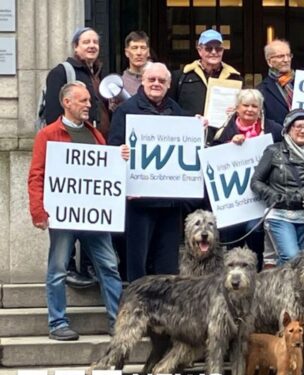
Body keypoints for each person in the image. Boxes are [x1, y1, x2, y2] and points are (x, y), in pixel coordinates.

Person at [28, 81, 127, 341]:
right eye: (82, 100)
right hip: (63, 215)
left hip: (94, 216)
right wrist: (38, 210)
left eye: (89, 101)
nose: (88, 105)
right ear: (66, 103)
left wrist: (119, 157)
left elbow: (104, 171)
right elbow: (37, 174)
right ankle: (58, 322)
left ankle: (118, 322)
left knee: (108, 267)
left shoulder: (95, 134)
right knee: (58, 268)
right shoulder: (48, 134)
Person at [108, 62, 191, 282]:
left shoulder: (178, 112)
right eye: (152, 79)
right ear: (142, 81)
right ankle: (137, 310)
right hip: (139, 202)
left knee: (167, 267)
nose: (156, 84)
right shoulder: (126, 111)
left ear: (169, 84)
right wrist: (120, 152)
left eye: (161, 81)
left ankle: (166, 312)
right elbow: (112, 150)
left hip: (170, 202)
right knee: (138, 263)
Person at [44, 27, 111, 288]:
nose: (92, 45)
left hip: (94, 150)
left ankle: (88, 264)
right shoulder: (62, 72)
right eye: (86, 42)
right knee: (69, 208)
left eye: (95, 41)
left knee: (88, 209)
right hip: (69, 153)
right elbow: (53, 114)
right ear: (75, 47)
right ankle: (70, 264)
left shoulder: (98, 74)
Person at [250, 109, 304, 264]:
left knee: (300, 262)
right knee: (292, 257)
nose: (302, 130)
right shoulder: (273, 151)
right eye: (298, 126)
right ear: (288, 128)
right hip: (279, 214)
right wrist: (272, 195)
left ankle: (283, 289)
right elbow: (255, 181)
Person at [211, 89, 282, 257]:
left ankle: (255, 272)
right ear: (237, 108)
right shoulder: (222, 129)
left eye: (254, 106)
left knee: (254, 230)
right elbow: (213, 160)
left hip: (259, 200)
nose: (250, 110)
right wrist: (229, 144)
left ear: (260, 110)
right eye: (245, 105)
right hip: (232, 200)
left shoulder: (274, 130)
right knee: (232, 238)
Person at [170, 29, 243, 117]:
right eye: (208, 48)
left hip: (224, 129)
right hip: (191, 128)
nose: (214, 52)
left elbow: (244, 107)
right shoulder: (181, 76)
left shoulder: (235, 77)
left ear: (223, 50)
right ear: (199, 50)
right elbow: (171, 107)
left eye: (218, 48)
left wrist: (237, 111)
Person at [258, 39, 295, 125]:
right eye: (280, 56)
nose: (286, 60)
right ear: (269, 61)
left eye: (289, 55)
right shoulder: (261, 91)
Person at [121, 31, 150, 96]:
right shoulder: (120, 84)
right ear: (127, 52)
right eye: (134, 48)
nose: (139, 53)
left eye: (143, 48)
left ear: (148, 52)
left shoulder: (157, 81)